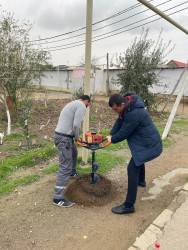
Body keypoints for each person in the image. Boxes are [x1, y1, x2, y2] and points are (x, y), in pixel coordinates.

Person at [106, 92, 162, 214]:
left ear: (122, 104)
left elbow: (125, 131)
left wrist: (113, 139)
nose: (115, 111)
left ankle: (129, 206)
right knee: (138, 158)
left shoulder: (134, 113)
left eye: (116, 109)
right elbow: (119, 122)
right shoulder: (126, 108)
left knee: (132, 168)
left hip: (148, 142)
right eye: (113, 109)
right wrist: (111, 133)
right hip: (144, 140)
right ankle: (141, 181)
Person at [53, 95, 91, 208]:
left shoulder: (72, 104)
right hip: (64, 138)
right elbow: (76, 124)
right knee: (65, 166)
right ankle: (57, 198)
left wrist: (74, 138)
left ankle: (72, 173)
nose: (87, 107)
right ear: (86, 101)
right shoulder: (81, 106)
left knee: (74, 153)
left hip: (63, 137)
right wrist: (78, 137)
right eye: (88, 105)